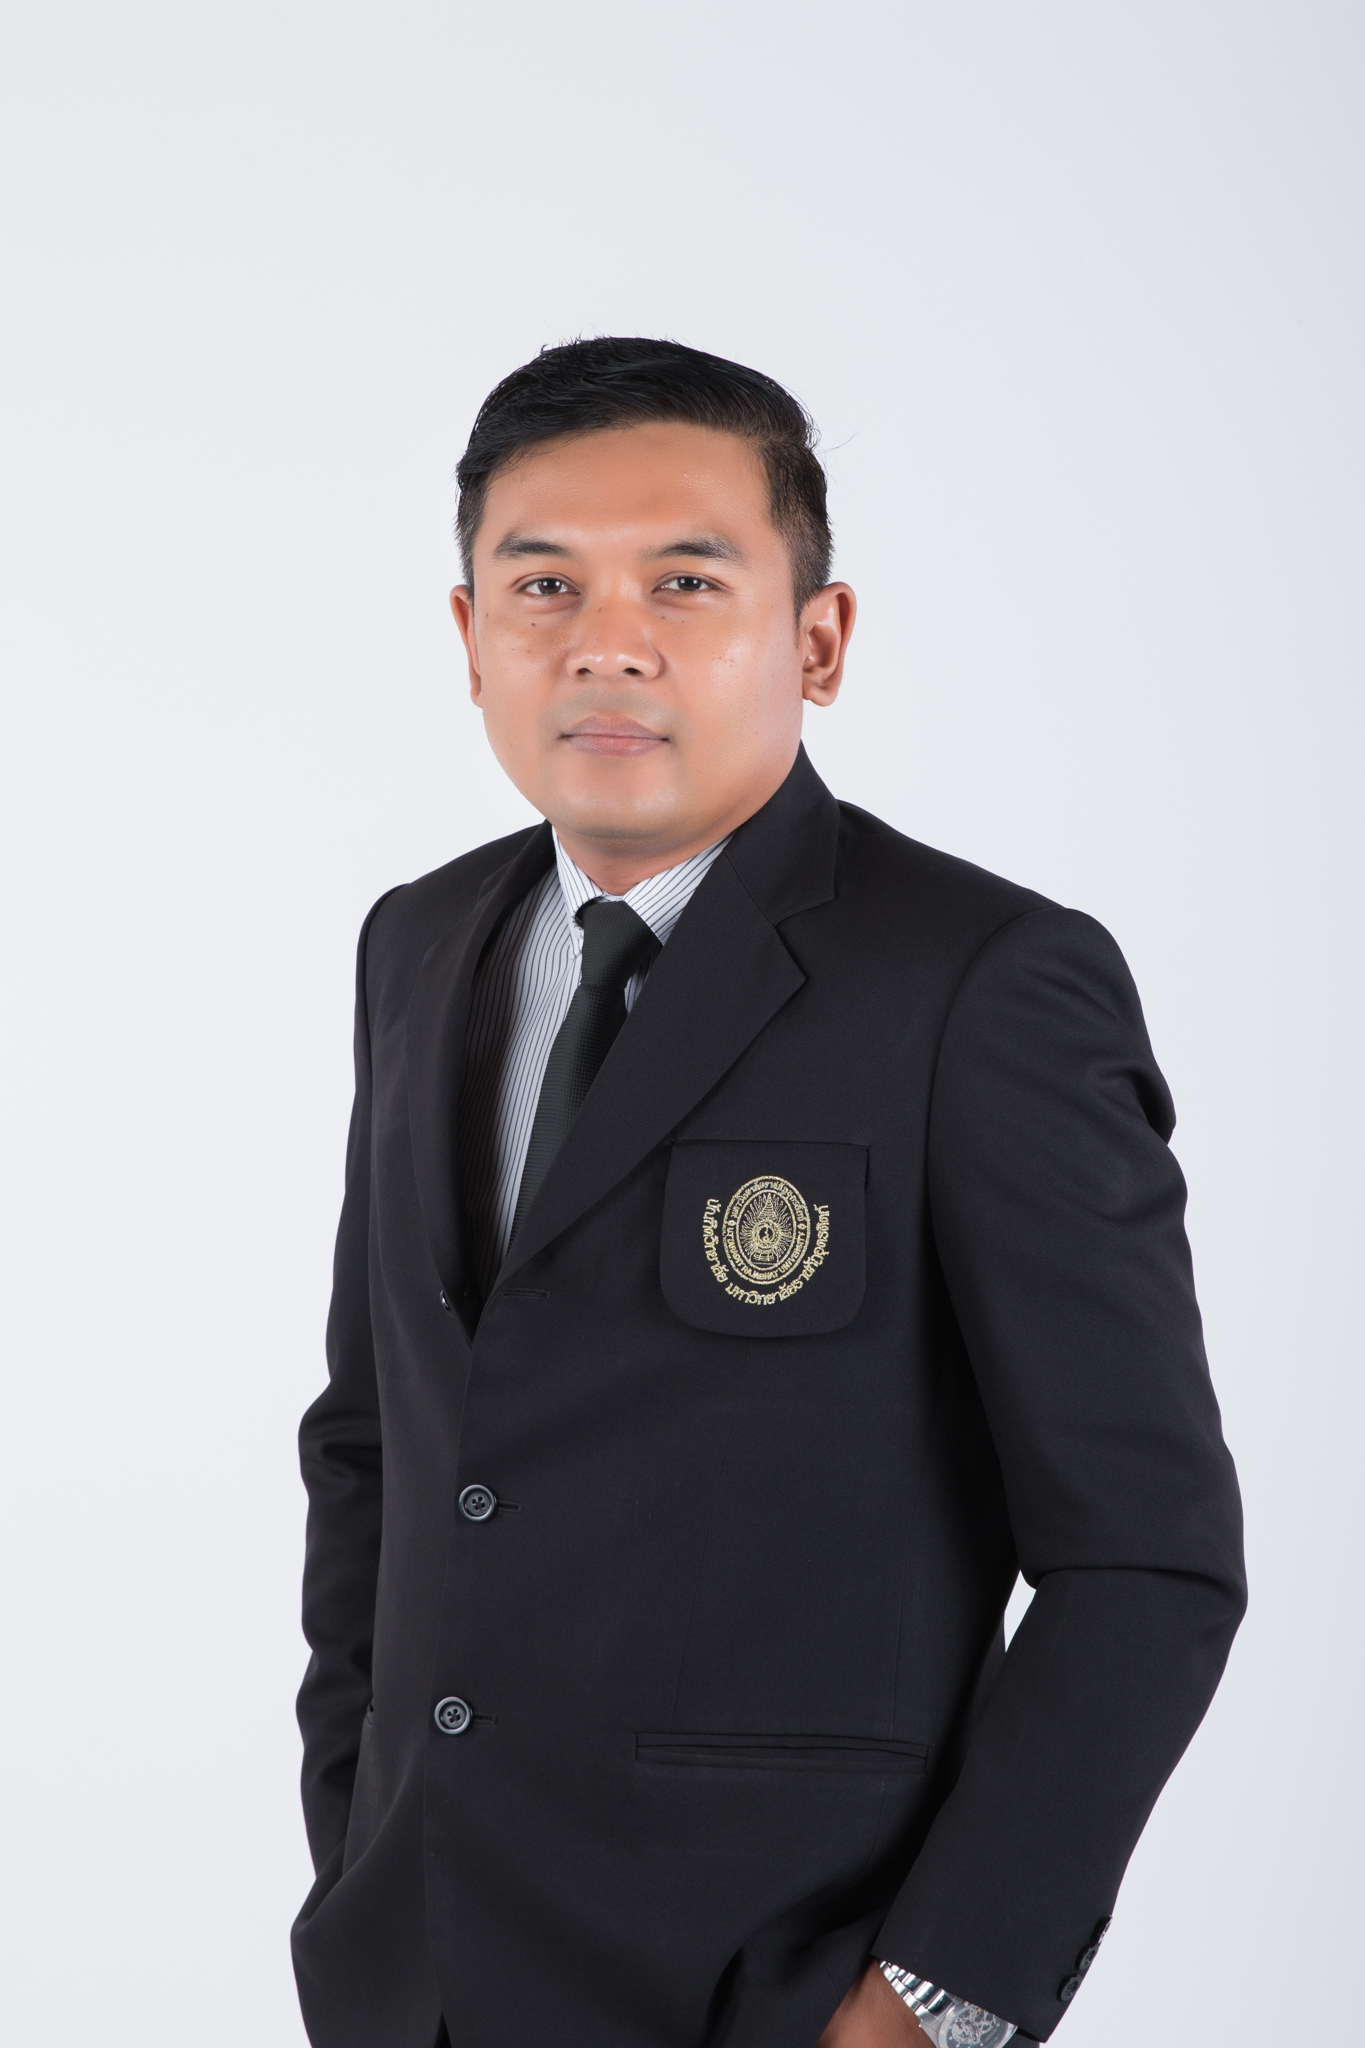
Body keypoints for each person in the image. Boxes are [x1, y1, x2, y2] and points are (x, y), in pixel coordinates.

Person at [291, 337, 1245, 2048]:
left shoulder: (980, 983)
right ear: (468, 638)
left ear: (817, 640)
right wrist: (354, 1857)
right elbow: (378, 1443)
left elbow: (1144, 1560)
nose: (607, 641)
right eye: (542, 584)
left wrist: (930, 2004)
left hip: (775, 1984)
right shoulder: (417, 944)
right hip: (416, 1980)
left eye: (683, 580)